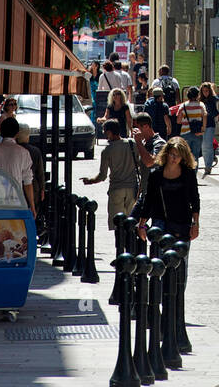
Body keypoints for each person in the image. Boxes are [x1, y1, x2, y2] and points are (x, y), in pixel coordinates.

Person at [136, 138, 200, 283]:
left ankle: (178, 299)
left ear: (183, 157)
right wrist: (142, 224)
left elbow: (195, 200)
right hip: (161, 222)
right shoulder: (156, 174)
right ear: (166, 154)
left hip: (183, 222)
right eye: (172, 154)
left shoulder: (188, 174)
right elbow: (149, 200)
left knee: (181, 262)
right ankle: (161, 296)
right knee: (160, 261)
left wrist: (196, 223)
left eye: (178, 155)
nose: (174, 158)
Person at [81, 118, 140, 228]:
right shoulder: (132, 144)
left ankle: (120, 244)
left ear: (109, 132)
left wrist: (90, 181)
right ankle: (130, 244)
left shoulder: (107, 151)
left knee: (118, 224)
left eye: (104, 132)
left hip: (116, 189)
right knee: (131, 223)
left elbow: (102, 176)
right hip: (132, 189)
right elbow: (139, 164)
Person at [0, 117, 36, 214]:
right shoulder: (23, 153)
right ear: (17, 134)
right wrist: (32, 206)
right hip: (16, 202)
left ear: (0, 132)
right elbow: (28, 183)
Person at [15, 123, 46, 227]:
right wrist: (42, 188)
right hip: (33, 188)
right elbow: (40, 173)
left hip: (16, 189)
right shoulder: (35, 151)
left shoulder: (14, 149)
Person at [132, 112, 166, 196]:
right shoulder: (144, 143)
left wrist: (138, 142)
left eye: (137, 128)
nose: (135, 131)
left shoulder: (159, 143)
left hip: (157, 192)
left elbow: (150, 162)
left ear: (146, 126)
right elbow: (144, 173)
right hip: (145, 192)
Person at [177, 87, 208, 169]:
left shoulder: (183, 106)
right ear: (198, 95)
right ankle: (193, 177)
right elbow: (205, 115)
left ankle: (186, 176)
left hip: (185, 133)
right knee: (195, 156)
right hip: (197, 133)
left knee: (185, 156)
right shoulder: (201, 105)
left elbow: (178, 121)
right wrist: (203, 129)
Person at [199, 81, 219, 175]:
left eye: (207, 90)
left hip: (210, 124)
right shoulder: (200, 101)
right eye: (203, 91)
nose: (205, 92)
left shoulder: (213, 100)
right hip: (202, 125)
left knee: (208, 145)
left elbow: (216, 112)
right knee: (203, 146)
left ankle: (208, 165)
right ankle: (208, 162)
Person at [87, 61, 101, 126]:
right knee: (92, 108)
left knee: (97, 108)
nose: (91, 66)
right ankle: (92, 123)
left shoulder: (100, 74)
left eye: (93, 64)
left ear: (96, 66)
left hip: (98, 93)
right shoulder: (90, 73)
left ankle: (96, 123)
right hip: (91, 92)